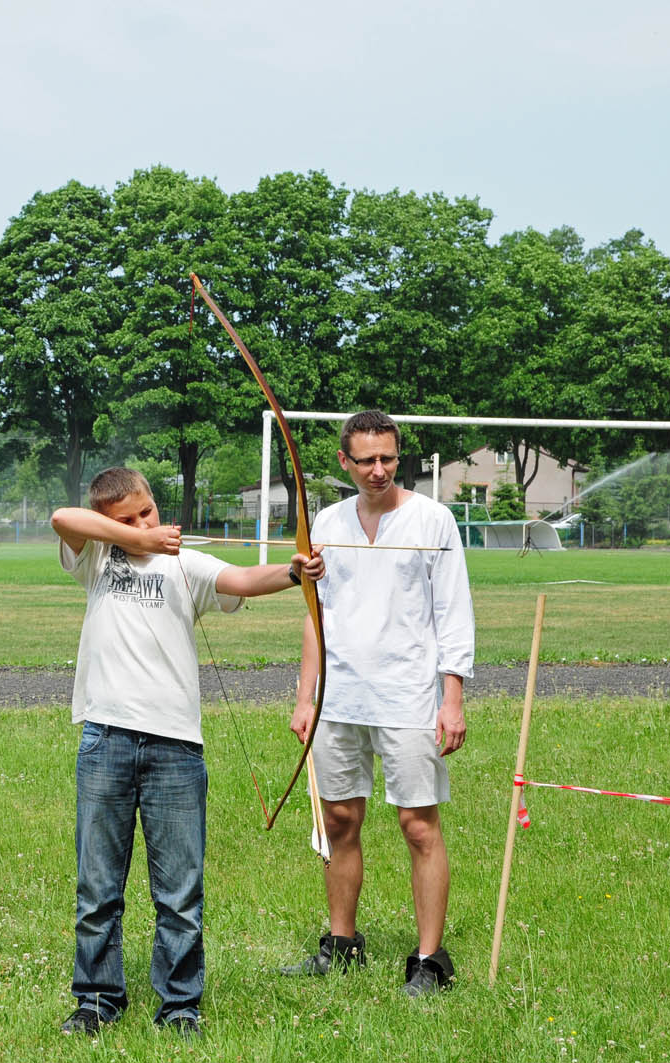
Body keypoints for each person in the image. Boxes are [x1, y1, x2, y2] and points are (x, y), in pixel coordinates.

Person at [52, 466, 326, 1037]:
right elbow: (63, 519)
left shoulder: (186, 562)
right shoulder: (97, 560)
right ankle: (97, 1000)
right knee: (98, 887)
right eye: (126, 519)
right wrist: (134, 539)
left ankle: (179, 1006)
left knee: (179, 891)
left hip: (176, 745)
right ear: (108, 525)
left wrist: (295, 570)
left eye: (147, 512)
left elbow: (248, 578)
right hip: (105, 736)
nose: (144, 524)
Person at [279, 410, 473, 998]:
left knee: (418, 825)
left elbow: (453, 612)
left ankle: (429, 961)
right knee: (340, 820)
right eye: (365, 460)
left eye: (387, 458)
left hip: (409, 697)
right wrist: (305, 693)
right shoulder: (328, 521)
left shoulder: (431, 519)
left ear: (398, 456)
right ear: (345, 462)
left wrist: (452, 698)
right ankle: (341, 946)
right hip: (341, 698)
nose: (378, 470)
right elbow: (318, 616)